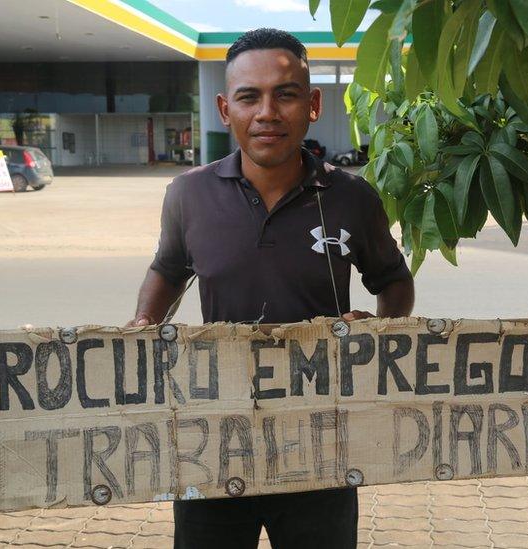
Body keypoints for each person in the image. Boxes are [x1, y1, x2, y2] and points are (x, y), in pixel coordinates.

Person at [125, 28, 415, 549]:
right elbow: (169, 268)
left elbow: (392, 280)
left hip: (321, 440)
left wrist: (379, 328)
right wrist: (145, 326)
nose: (267, 112)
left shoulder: (351, 196)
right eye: (248, 96)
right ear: (224, 108)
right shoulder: (188, 194)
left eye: (285, 93)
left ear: (312, 103)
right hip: (212, 437)